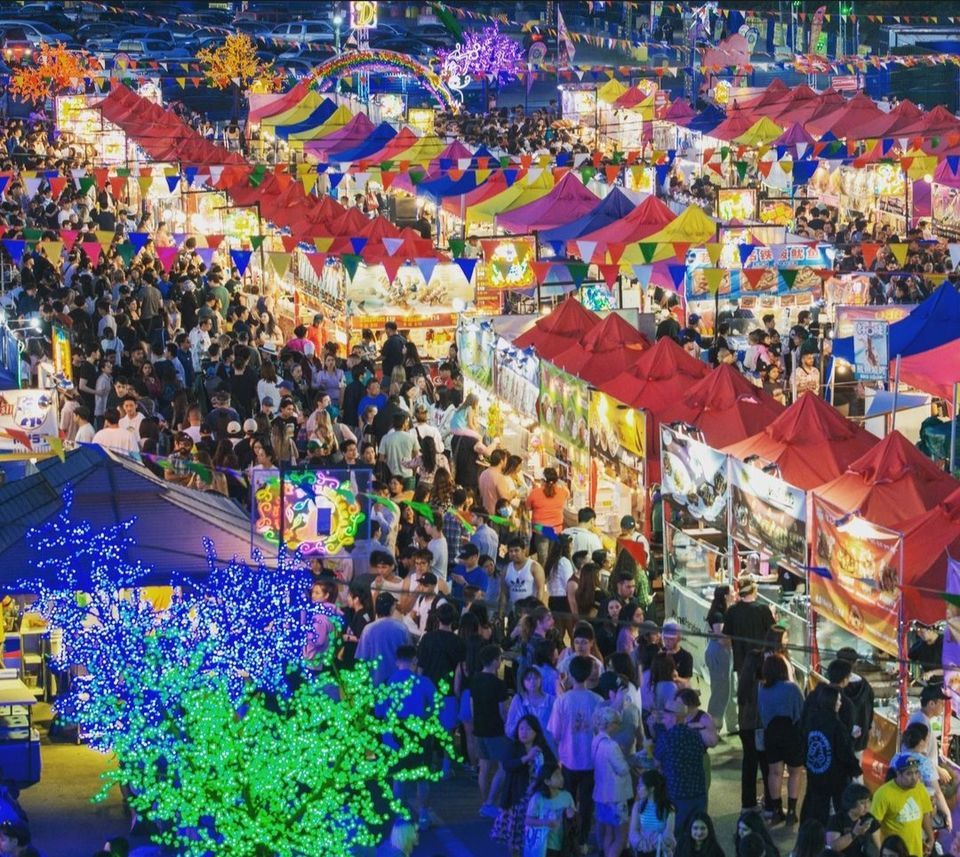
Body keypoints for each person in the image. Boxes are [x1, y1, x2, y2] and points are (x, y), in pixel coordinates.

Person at [548, 655, 602, 854]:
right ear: (590, 675)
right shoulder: (598, 701)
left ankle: (566, 838)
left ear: (570, 674)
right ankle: (582, 840)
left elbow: (555, 732)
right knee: (587, 803)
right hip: (591, 761)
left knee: (566, 801)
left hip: (568, 760)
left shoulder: (562, 701)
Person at [492, 714, 556, 856]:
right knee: (514, 837)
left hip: (536, 800)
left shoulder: (542, 748)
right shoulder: (513, 746)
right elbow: (507, 765)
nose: (524, 732)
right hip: (516, 800)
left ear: (536, 732)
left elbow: (552, 765)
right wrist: (527, 758)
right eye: (521, 729)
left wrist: (540, 778)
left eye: (528, 729)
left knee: (533, 837)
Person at [800, 684, 861, 825]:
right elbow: (843, 750)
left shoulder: (811, 720)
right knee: (840, 806)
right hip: (835, 775)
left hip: (815, 772)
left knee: (815, 805)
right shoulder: (836, 725)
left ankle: (813, 830)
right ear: (832, 702)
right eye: (838, 700)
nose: (840, 703)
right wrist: (854, 767)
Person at [757, 654, 804, 825]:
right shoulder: (791, 688)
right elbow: (801, 711)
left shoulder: (762, 689)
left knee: (774, 773)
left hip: (771, 733)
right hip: (791, 733)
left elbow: (762, 713)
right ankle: (792, 811)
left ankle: (776, 810)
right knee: (795, 772)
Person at [653, 694, 710, 831]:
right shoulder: (696, 735)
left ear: (673, 718)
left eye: (665, 716)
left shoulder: (666, 738)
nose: (664, 720)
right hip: (698, 792)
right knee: (697, 832)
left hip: (677, 795)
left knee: (678, 835)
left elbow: (656, 763)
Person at [472, 644, 510, 819]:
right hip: (496, 729)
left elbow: (472, 706)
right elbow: (502, 711)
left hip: (479, 728)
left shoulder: (475, 679)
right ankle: (490, 802)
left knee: (484, 767)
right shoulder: (499, 684)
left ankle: (484, 802)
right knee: (503, 767)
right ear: (496, 661)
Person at [871, 754, 934, 857]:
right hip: (894, 853)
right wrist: (881, 850)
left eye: (916, 772)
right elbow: (874, 826)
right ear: (898, 773)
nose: (914, 778)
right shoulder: (883, 794)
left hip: (916, 852)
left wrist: (931, 838)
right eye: (909, 774)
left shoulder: (920, 788)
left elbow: (925, 814)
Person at [593, 706, 633, 857]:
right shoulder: (611, 745)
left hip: (601, 795)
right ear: (610, 724)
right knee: (621, 837)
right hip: (615, 796)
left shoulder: (596, 740)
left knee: (608, 833)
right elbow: (622, 769)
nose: (618, 726)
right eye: (616, 723)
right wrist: (628, 760)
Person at [355, 592, 410, 686]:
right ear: (392, 608)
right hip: (397, 681)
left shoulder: (368, 629)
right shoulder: (402, 628)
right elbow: (408, 656)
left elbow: (362, 657)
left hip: (375, 681)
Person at [723, 575, 775, 673]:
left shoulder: (732, 611)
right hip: (760, 662)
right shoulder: (763, 609)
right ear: (754, 590)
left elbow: (726, 638)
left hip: (741, 663)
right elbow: (773, 632)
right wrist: (771, 614)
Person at [704, 584, 735, 733]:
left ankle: (728, 723)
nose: (734, 594)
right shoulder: (718, 615)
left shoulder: (723, 612)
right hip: (719, 653)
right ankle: (712, 726)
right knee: (719, 690)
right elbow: (722, 639)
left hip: (722, 653)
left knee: (725, 688)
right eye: (732, 592)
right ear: (725, 596)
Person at [629, 769, 676, 857]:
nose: (637, 788)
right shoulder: (638, 806)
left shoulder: (668, 809)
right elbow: (633, 831)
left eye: (640, 785)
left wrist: (654, 841)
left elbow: (668, 834)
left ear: (652, 788)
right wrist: (642, 843)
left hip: (660, 851)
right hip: (643, 851)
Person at [526, 468, 570, 563]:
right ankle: (550, 575)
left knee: (542, 558)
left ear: (543, 480)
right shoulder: (562, 492)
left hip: (540, 528)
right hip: (556, 528)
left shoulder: (535, 492)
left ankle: (543, 576)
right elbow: (568, 493)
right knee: (552, 558)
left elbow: (528, 507)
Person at [826, 783, 880, 857]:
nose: (866, 806)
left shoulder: (870, 818)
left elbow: (879, 846)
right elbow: (832, 848)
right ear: (851, 803)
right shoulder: (837, 820)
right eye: (862, 803)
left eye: (868, 801)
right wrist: (854, 833)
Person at [504, 666, 555, 743]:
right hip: (526, 745)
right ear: (523, 682)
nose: (532, 681)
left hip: (547, 745)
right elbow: (509, 725)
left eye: (536, 678)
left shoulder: (551, 700)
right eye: (528, 679)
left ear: (540, 679)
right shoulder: (519, 700)